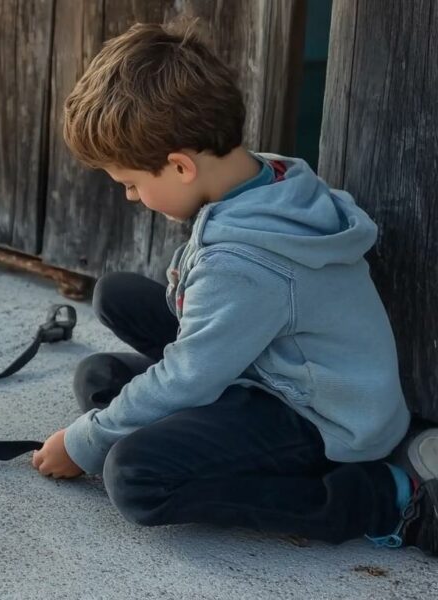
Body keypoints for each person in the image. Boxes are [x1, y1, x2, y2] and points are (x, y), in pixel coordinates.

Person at [30, 21, 436, 555]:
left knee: (133, 476)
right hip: (275, 367)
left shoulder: (244, 262)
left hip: (323, 418)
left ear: (179, 166)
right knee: (105, 349)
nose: (131, 196)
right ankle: (190, 435)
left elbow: (185, 377)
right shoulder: (270, 175)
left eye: (131, 184)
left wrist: (86, 443)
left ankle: (388, 498)